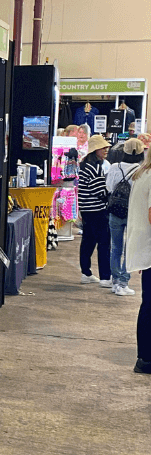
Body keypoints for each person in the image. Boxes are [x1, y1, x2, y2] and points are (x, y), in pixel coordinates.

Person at [106, 138, 145, 296]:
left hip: (115, 211)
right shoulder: (142, 169)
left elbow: (109, 187)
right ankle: (123, 282)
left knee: (115, 248)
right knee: (130, 249)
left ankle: (115, 282)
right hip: (133, 213)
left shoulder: (115, 167)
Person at [126, 147, 151, 374]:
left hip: (144, 250)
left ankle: (145, 357)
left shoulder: (143, 172)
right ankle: (146, 358)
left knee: (148, 304)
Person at [78, 135, 112, 286]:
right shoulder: (95, 167)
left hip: (87, 209)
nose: (106, 150)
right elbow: (100, 191)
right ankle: (105, 277)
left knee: (88, 241)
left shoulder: (85, 165)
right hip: (97, 210)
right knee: (104, 243)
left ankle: (86, 272)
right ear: (95, 150)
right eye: (103, 147)